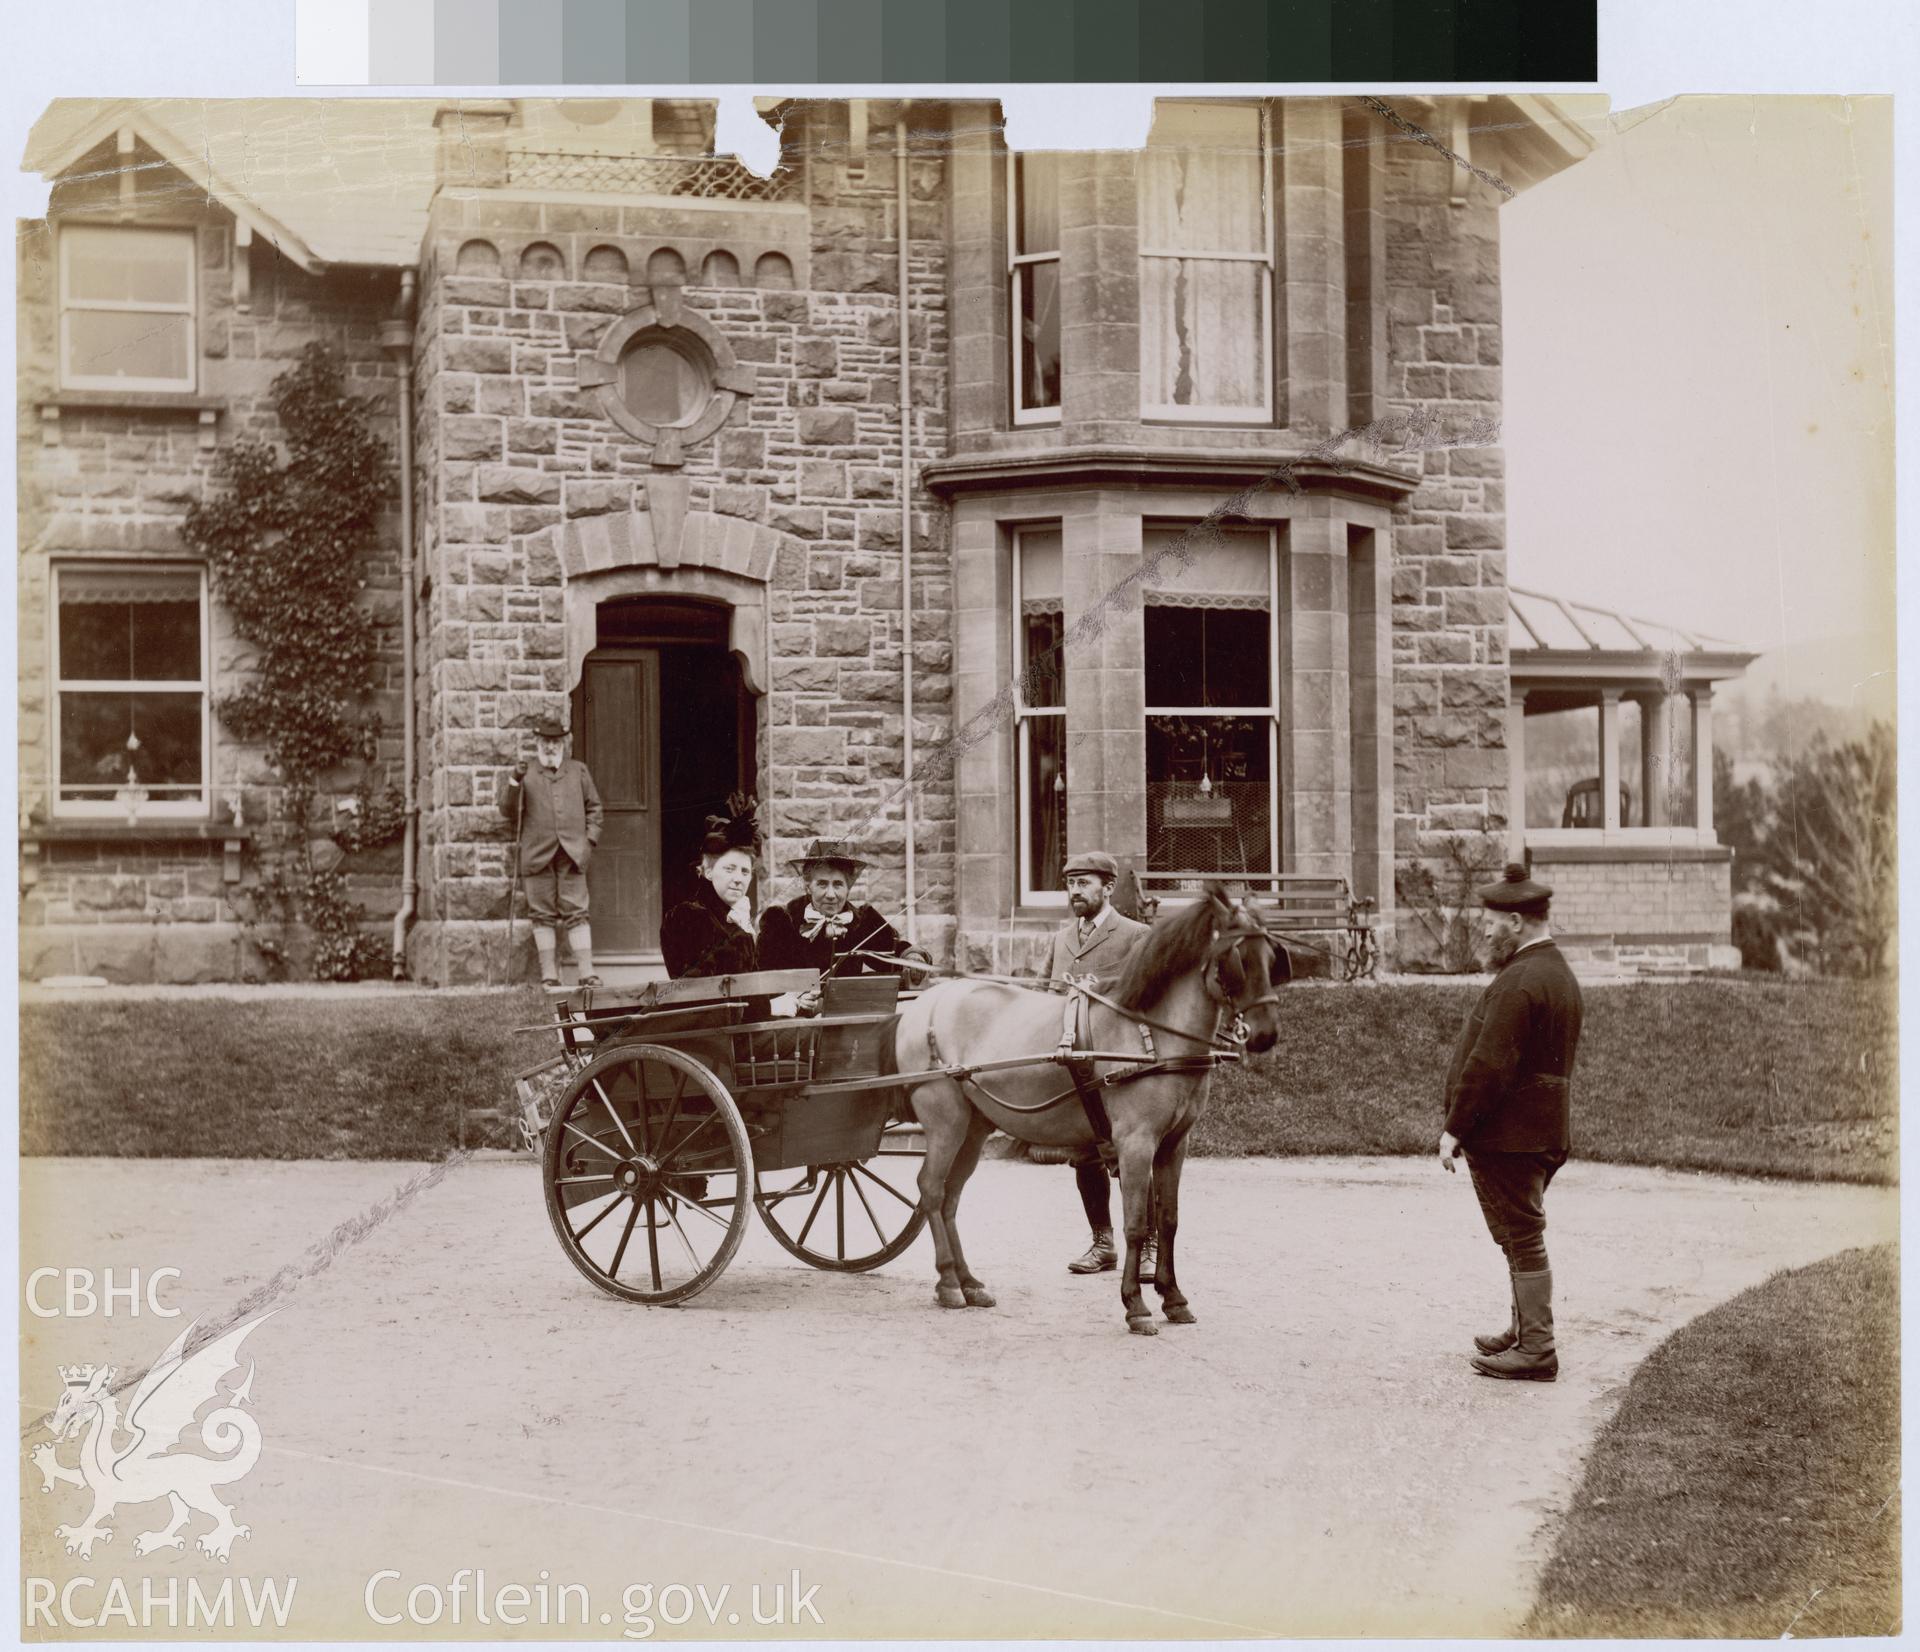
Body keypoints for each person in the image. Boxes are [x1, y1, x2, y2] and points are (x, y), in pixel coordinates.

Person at [1438, 862, 1585, 1382]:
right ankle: (1525, 1331)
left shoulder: (1521, 980)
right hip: (1540, 1131)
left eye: (1492, 920)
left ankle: (1537, 1348)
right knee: (1519, 1234)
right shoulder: (1555, 972)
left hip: (1512, 1136)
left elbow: (1489, 1064)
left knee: (1522, 1235)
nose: (1484, 928)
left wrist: (1455, 1129)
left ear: (1518, 922)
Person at [1042, 851, 1152, 1277]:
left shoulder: (1135, 935)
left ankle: (1147, 1247)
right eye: (1070, 883)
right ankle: (1102, 1243)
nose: (1075, 891)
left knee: (1132, 1156)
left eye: (1084, 883)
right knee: (1084, 1154)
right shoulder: (1061, 938)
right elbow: (1046, 997)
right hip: (1075, 1067)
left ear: (1108, 888)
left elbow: (1146, 1000)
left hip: (1120, 1069)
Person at [501, 714, 603, 989]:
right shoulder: (526, 773)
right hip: (536, 856)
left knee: (577, 912)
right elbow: (508, 811)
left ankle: (587, 973)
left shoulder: (578, 770)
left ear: (564, 742)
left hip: (572, 855)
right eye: (545, 741)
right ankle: (550, 977)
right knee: (541, 914)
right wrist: (514, 781)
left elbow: (595, 808)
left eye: (555, 741)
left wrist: (589, 842)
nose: (549, 746)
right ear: (537, 742)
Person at [757, 839, 929, 986]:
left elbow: (893, 953)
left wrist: (912, 957)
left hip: (847, 1017)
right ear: (808, 885)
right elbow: (763, 979)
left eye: (838, 884)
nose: (831, 895)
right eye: (822, 884)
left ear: (848, 887)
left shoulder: (863, 921)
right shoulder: (781, 921)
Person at [659, 793, 764, 981]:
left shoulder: (740, 918)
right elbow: (696, 987)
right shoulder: (687, 917)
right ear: (708, 872)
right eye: (729, 869)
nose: (738, 879)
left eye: (745, 871)